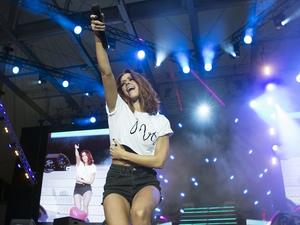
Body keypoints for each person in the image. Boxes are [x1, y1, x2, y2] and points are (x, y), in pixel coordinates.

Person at [90, 15, 173, 225]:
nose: (126, 83)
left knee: (138, 213)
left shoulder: (160, 120)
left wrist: (124, 153)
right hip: (117, 178)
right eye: (123, 82)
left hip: (146, 180)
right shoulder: (117, 108)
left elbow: (159, 161)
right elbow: (106, 73)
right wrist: (99, 37)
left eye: (130, 79)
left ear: (140, 83)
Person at [73, 144, 96, 218]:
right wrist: (76, 149)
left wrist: (81, 180)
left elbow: (91, 181)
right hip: (77, 188)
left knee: (85, 206)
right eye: (82, 156)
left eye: (85, 155)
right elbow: (77, 156)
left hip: (87, 188)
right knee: (78, 208)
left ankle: (84, 221)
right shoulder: (79, 164)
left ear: (88, 156)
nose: (84, 157)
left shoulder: (93, 167)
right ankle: (79, 221)